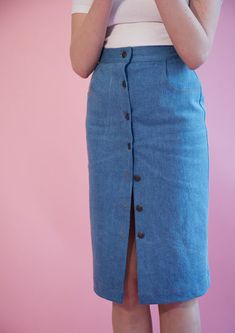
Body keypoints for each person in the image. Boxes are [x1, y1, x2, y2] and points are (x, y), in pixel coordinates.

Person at [70, 1, 223, 332]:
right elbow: (81, 61)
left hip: (171, 107)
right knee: (124, 283)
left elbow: (196, 51)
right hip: (109, 111)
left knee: (176, 281)